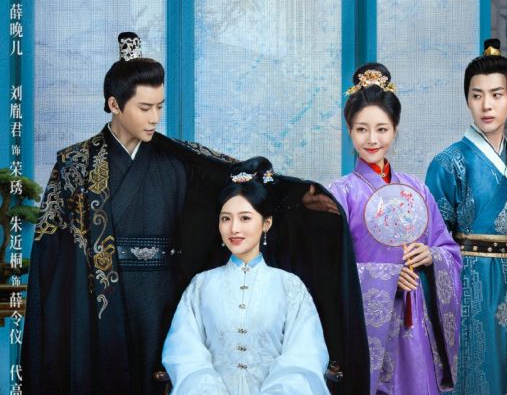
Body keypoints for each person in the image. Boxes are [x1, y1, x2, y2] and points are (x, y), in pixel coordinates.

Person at [22, 32, 370, 394]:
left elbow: (241, 183)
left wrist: (297, 199)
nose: (155, 118)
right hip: (100, 297)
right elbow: (52, 253)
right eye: (144, 108)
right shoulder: (76, 164)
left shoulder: (179, 160)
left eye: (160, 106)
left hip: (161, 299)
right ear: (114, 104)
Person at [328, 63, 462, 394]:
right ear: (349, 130)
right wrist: (386, 275)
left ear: (395, 129)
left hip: (415, 324)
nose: (372, 139)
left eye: (382, 129)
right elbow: (329, 269)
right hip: (366, 330)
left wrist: (431, 255)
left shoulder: (417, 189)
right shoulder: (340, 194)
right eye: (362, 129)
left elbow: (449, 251)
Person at [425, 38, 507, 394]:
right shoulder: (448, 163)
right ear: (467, 99)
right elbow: (432, 244)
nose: (486, 105)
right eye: (477, 95)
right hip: (470, 289)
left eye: (496, 94)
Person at [162, 156, 330, 394]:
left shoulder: (289, 286)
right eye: (226, 218)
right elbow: (185, 354)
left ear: (266, 223)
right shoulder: (201, 285)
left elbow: (304, 357)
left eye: (245, 218)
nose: (234, 228)